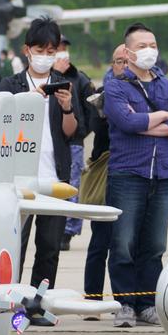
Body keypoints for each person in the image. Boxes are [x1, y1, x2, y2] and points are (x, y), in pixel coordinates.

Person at [0, 17, 79, 318]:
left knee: (49, 247)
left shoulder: (63, 85)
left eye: (51, 50)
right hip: (17, 180)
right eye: (40, 49)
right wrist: (29, 100)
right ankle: (9, 303)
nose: (46, 56)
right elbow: (0, 125)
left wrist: (67, 105)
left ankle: (37, 306)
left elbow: (72, 132)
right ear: (27, 50)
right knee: (14, 244)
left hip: (53, 177)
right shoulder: (12, 84)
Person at [104, 23, 168, 328]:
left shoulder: (166, 86)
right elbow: (125, 122)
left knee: (154, 245)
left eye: (152, 44)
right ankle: (125, 303)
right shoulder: (116, 85)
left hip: (161, 175)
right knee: (123, 243)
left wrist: (147, 123)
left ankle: (147, 303)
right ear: (126, 52)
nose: (149, 50)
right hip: (128, 174)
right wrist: (158, 117)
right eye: (141, 46)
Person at [83, 45, 127, 314]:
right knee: (100, 239)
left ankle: (125, 299)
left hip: (133, 169)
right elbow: (96, 127)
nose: (122, 65)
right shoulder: (101, 94)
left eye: (126, 60)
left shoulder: (144, 90)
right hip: (105, 168)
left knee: (126, 242)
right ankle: (92, 297)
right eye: (118, 61)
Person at [52, 35, 94, 251]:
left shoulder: (80, 78)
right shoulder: (46, 78)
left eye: (64, 48)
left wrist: (82, 132)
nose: (62, 52)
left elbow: (92, 108)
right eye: (57, 48)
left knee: (72, 187)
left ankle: (68, 231)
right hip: (50, 143)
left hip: (74, 142)